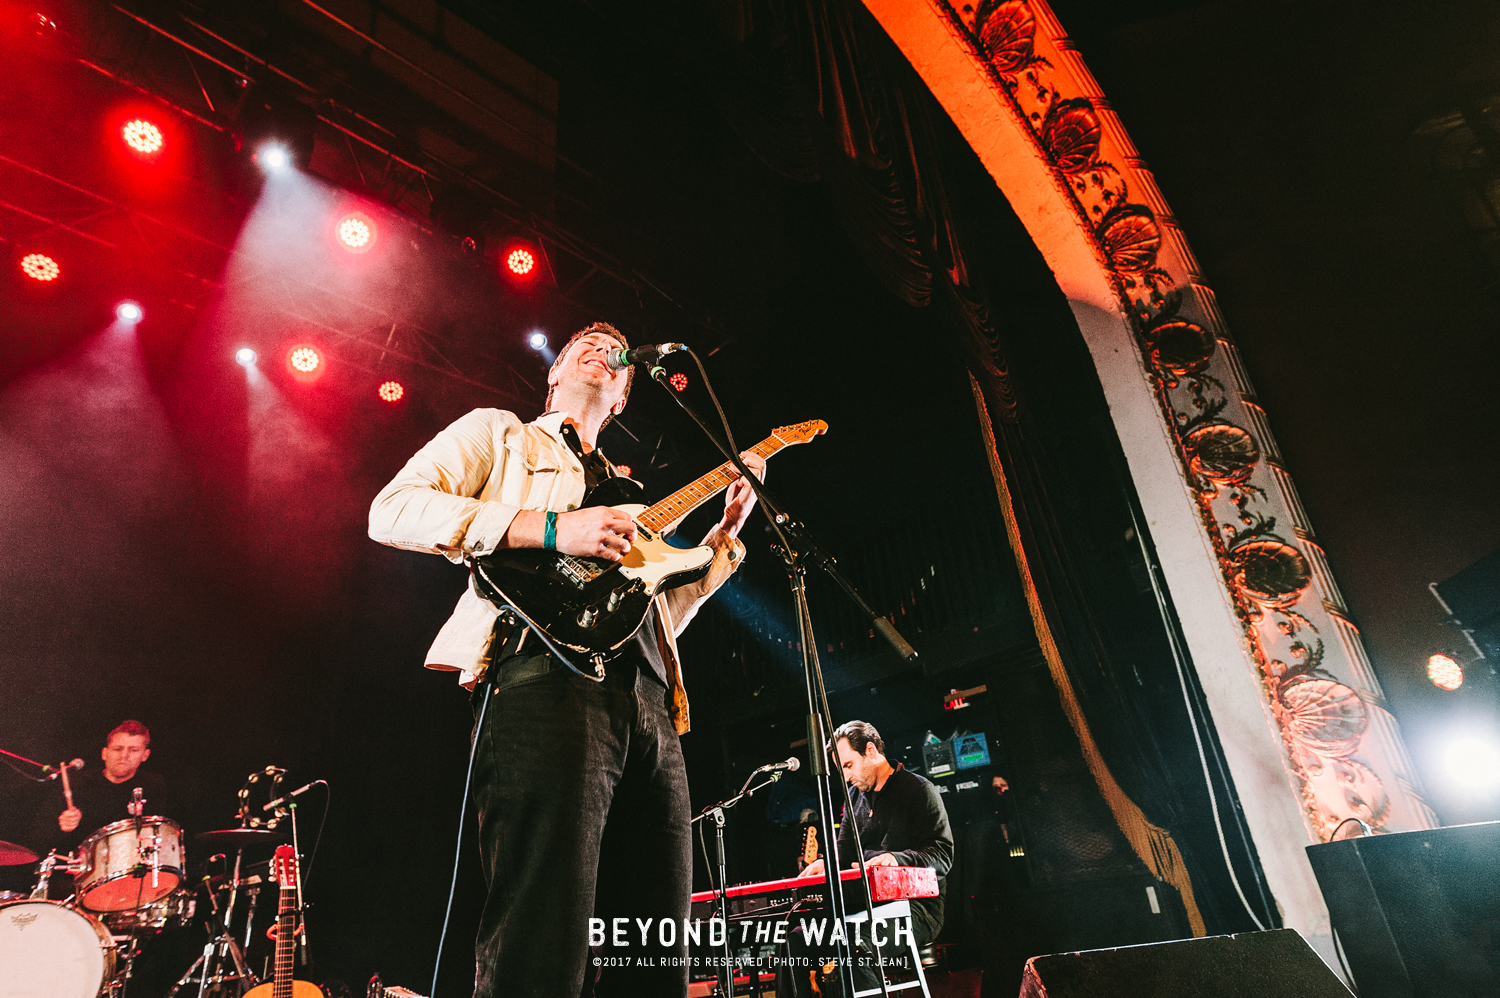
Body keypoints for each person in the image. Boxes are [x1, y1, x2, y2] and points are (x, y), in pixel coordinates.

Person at [369, 322, 764, 998]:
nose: (601, 346)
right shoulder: (502, 436)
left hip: (650, 707)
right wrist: (552, 527)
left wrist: (724, 538)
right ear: (554, 374)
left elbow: (656, 612)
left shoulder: (630, 494)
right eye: (585, 341)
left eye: (614, 352)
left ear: (622, 396)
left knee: (654, 952)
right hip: (544, 683)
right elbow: (393, 509)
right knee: (542, 938)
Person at [789, 720, 953, 996]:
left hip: (916, 911)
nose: (845, 776)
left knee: (854, 943)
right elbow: (842, 857)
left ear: (871, 751)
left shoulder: (919, 790)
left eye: (848, 765)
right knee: (793, 942)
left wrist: (896, 859)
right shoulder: (854, 798)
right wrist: (824, 864)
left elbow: (942, 855)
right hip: (864, 907)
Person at [26, 720, 168, 895]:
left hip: (127, 879)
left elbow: (158, 839)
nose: (124, 755)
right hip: (73, 882)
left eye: (133, 750)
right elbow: (37, 839)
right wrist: (61, 826)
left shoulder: (153, 785)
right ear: (104, 753)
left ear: (145, 755)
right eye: (118, 749)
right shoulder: (76, 783)